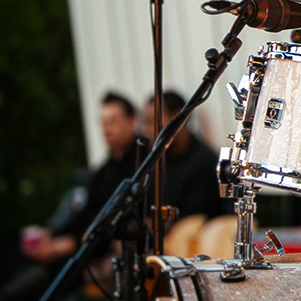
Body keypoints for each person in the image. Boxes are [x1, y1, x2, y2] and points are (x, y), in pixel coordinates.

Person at [21, 91, 140, 265]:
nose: (106, 129)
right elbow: (84, 213)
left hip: (100, 253)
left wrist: (63, 245)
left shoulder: (142, 165)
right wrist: (52, 235)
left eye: (113, 121)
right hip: (82, 249)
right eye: (103, 122)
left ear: (132, 121)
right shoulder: (103, 172)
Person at [142, 90, 227, 222]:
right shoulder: (153, 162)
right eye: (146, 122)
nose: (148, 130)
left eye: (153, 121)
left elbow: (196, 217)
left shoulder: (205, 162)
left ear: (178, 118)